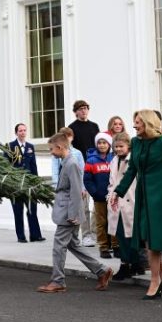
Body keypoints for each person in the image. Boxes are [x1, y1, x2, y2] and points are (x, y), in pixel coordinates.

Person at [110, 109, 162, 299]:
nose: (134, 125)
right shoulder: (136, 143)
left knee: (152, 241)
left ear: (147, 122)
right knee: (147, 238)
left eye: (138, 122)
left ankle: (155, 281)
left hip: (161, 197)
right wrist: (117, 192)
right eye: (134, 121)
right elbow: (132, 171)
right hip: (143, 196)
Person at [36, 132, 113, 294]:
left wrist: (74, 215)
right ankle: (102, 271)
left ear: (60, 147)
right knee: (73, 245)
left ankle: (57, 281)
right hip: (67, 211)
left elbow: (76, 191)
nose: (51, 152)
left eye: (51, 149)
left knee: (58, 246)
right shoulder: (66, 161)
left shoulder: (71, 163)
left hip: (68, 213)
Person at [106, 132, 143, 280]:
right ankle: (130, 263)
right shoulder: (114, 160)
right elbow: (112, 181)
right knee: (121, 235)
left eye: (121, 146)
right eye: (116, 146)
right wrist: (109, 195)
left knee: (131, 235)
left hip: (130, 200)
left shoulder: (133, 160)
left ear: (129, 146)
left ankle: (129, 264)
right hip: (117, 201)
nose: (118, 149)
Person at [68, 100, 100, 247]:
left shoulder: (94, 127)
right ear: (76, 112)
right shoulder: (72, 128)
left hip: (96, 168)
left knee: (98, 203)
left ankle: (95, 232)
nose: (84, 111)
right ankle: (86, 234)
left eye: (86, 108)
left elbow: (100, 146)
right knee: (84, 205)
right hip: (82, 170)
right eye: (81, 109)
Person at [7, 123, 45, 243]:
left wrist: (36, 181)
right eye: (20, 131)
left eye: (24, 130)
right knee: (18, 211)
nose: (23, 133)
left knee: (32, 209)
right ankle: (21, 236)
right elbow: (6, 165)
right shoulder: (10, 146)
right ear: (16, 133)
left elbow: (33, 165)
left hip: (29, 183)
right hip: (16, 184)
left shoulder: (30, 146)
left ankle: (35, 235)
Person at [83, 132, 117, 258]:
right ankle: (103, 247)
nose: (102, 145)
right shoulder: (91, 160)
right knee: (101, 222)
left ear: (109, 144)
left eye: (105, 143)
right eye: (100, 143)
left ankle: (115, 245)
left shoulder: (114, 158)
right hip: (99, 198)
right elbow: (87, 179)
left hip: (113, 197)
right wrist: (95, 192)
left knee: (113, 221)